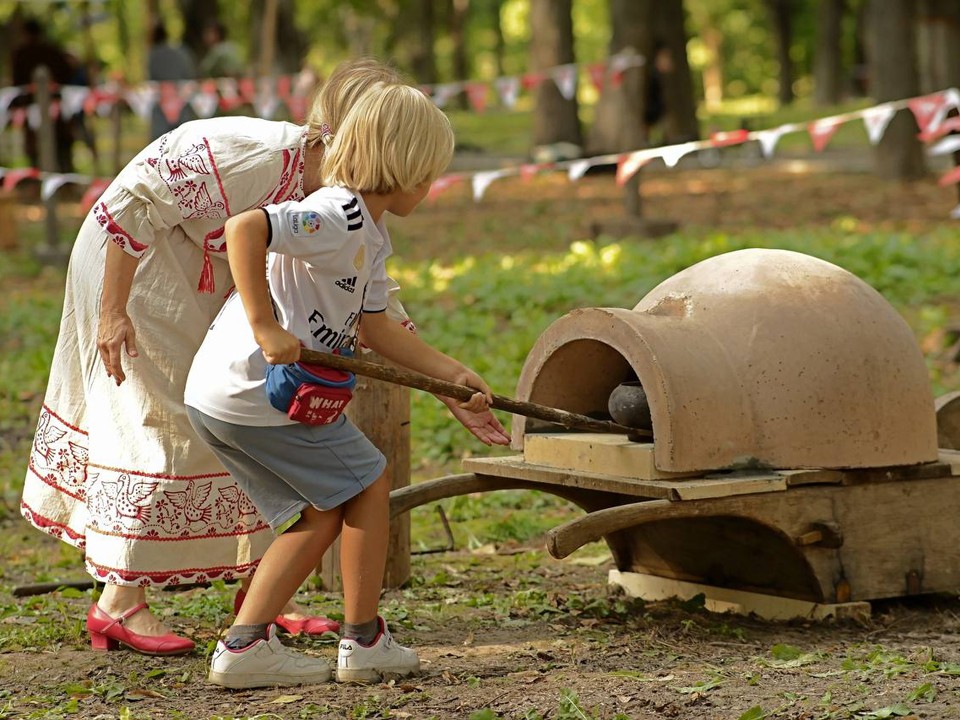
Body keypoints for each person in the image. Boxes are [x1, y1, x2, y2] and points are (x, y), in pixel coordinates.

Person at [21, 58, 508, 657]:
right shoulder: (255, 157)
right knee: (155, 422)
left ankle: (263, 593)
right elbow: (132, 203)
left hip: (219, 276)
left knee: (249, 427)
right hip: (140, 267)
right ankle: (119, 603)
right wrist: (114, 310)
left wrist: (448, 383)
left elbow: (372, 309)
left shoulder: (349, 210)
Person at [186, 81, 506, 689]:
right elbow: (244, 228)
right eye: (429, 174)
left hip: (223, 397)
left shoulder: (371, 235)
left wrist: (451, 376)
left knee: (323, 508)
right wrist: (264, 326)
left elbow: (378, 325)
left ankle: (247, 646)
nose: (432, 187)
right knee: (367, 481)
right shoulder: (340, 214)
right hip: (258, 389)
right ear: (406, 166)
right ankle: (360, 640)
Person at [10, 18, 75, 172]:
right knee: (40, 147)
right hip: (32, 108)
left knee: (59, 145)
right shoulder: (46, 51)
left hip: (54, 108)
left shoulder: (29, 53)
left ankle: (63, 180)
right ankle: (40, 180)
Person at [147, 23, 197, 140]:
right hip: (183, 99)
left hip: (162, 101)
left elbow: (152, 77)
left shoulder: (154, 54)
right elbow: (189, 73)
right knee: (185, 138)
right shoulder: (182, 52)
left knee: (160, 141)